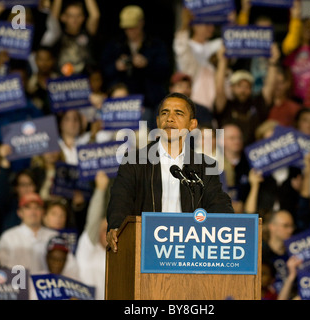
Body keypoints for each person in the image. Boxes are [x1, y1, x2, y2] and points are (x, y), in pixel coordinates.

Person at [106, 92, 234, 252]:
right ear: (158, 121)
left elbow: (219, 204)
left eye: (178, 113)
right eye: (164, 113)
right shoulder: (134, 161)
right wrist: (117, 226)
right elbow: (120, 200)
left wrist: (230, 227)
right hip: (147, 248)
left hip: (190, 251)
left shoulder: (205, 166)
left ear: (192, 125)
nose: (170, 118)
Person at [100, 5, 171, 129]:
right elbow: (103, 72)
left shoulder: (155, 44)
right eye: (127, 28)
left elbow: (165, 71)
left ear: (141, 23)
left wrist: (147, 64)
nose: (130, 31)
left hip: (149, 101)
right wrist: (116, 66)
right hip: (122, 104)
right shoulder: (115, 45)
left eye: (133, 27)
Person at [0, 192, 79, 279]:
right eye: (28, 207)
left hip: (48, 289)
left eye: (37, 208)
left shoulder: (54, 236)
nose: (33, 212)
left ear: (43, 212)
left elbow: (70, 267)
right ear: (20, 212)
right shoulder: (8, 237)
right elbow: (3, 269)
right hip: (20, 288)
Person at [76, 171, 110, 300]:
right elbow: (94, 221)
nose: (109, 233)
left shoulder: (117, 255)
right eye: (105, 229)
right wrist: (100, 189)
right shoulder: (88, 248)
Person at [48, 0, 100, 76]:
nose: (75, 20)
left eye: (78, 16)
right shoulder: (57, 34)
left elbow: (95, 16)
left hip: (84, 81)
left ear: (83, 18)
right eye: (71, 16)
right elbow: (53, 19)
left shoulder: (87, 33)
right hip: (61, 81)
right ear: (63, 17)